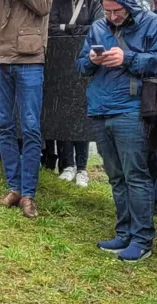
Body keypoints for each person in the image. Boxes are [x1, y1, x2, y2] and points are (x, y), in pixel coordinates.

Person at [77, 0, 157, 262]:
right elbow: (80, 66)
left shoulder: (151, 23)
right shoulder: (98, 26)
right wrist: (90, 60)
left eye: (117, 11)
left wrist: (127, 58)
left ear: (129, 5)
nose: (112, 16)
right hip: (100, 108)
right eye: (108, 10)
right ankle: (124, 232)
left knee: (136, 176)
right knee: (116, 177)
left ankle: (141, 239)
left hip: (131, 108)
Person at [0, 0, 52, 218]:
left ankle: (28, 194)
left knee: (31, 127)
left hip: (29, 56)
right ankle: (14, 188)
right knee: (4, 125)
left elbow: (43, 7)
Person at [50, 0, 104, 187]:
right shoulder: (58, 3)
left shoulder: (93, 3)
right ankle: (68, 164)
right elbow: (50, 27)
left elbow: (97, 27)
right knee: (63, 110)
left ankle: (82, 167)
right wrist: (77, 29)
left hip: (85, 59)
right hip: (60, 60)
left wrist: (67, 28)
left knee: (81, 112)